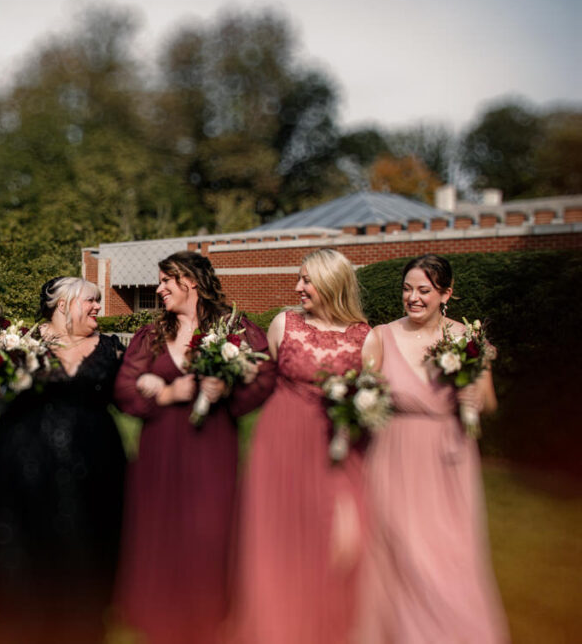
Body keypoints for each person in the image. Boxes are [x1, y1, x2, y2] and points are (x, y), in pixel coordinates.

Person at [113, 251, 275, 644]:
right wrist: (166, 393)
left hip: (212, 446)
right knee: (160, 524)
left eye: (167, 280)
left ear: (192, 282)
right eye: (160, 281)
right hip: (161, 447)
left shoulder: (236, 330)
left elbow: (265, 373)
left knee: (210, 527)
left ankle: (209, 615)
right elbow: (123, 389)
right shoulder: (151, 335)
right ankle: (156, 615)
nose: (159, 288)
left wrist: (227, 390)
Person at [0, 277, 127, 644]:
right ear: (63, 305)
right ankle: (19, 610)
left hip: (95, 460)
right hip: (23, 458)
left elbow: (128, 395)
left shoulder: (110, 347)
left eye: (98, 301)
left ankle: (83, 615)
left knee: (85, 535)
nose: (98, 307)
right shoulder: (21, 342)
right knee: (23, 537)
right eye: (91, 301)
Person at [354, 254, 509, 643]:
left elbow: (488, 402)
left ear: (446, 294)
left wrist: (474, 396)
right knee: (395, 553)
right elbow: (361, 397)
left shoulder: (465, 339)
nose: (413, 297)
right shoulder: (380, 337)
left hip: (447, 459)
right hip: (393, 455)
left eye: (424, 290)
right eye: (407, 289)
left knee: (448, 556)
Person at [225, 247, 371, 644]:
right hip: (279, 441)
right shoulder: (283, 323)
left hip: (335, 446)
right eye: (299, 278)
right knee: (275, 536)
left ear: (330, 283)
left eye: (307, 280)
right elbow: (260, 383)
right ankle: (272, 626)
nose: (298, 287)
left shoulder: (366, 337)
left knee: (337, 541)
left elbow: (372, 402)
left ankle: (323, 627)